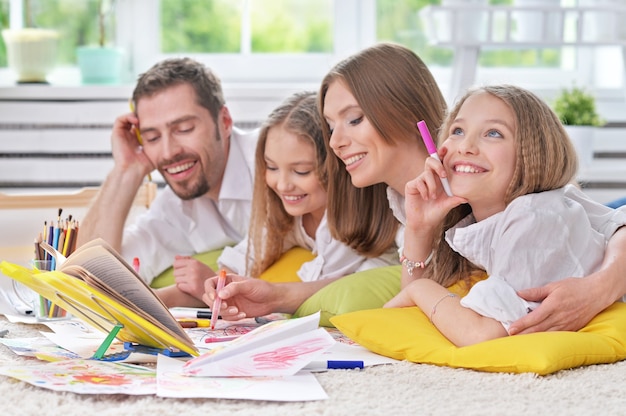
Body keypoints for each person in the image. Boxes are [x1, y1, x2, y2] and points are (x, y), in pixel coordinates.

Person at [203, 42, 626, 334]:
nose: (334, 141)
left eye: (353, 120)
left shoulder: (497, 189)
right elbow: (387, 283)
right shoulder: (387, 198)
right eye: (330, 125)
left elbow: (597, 218)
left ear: (407, 114)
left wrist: (602, 285)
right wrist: (275, 296)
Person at [384, 85, 626, 346]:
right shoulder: (506, 217)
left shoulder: (535, 215)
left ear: (532, 153)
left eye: (493, 133)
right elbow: (414, 315)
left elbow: (483, 334)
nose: (465, 146)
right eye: (457, 130)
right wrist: (418, 229)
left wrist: (419, 290)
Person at [157, 91, 396, 306]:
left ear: (338, 167)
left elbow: (330, 286)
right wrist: (158, 298)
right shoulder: (287, 217)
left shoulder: (351, 224)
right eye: (271, 167)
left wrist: (223, 287)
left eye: (301, 171)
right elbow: (240, 264)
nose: (282, 185)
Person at [76, 58, 258, 305]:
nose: (168, 152)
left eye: (183, 129)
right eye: (151, 137)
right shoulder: (176, 206)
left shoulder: (277, 161)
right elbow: (89, 273)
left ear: (224, 121)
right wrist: (127, 171)